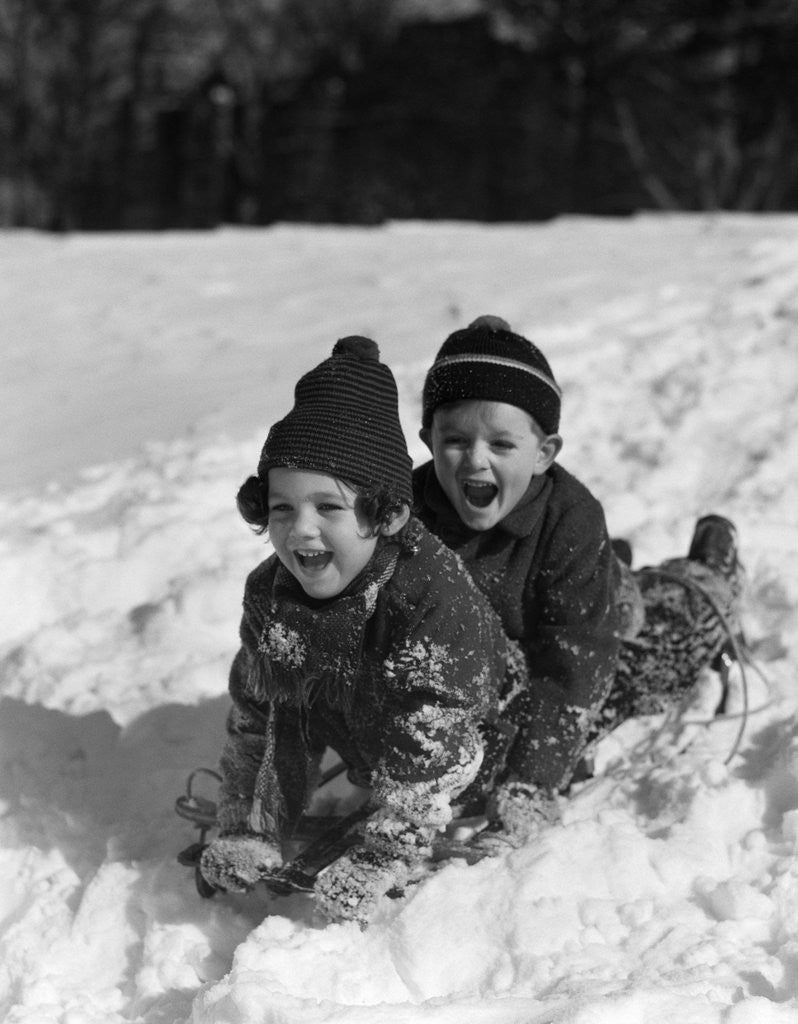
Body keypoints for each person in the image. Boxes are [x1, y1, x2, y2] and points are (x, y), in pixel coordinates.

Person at [198, 335, 510, 925]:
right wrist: (248, 826)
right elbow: (260, 715)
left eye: (329, 508)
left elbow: (435, 731)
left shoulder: (429, 593)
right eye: (282, 508)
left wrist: (386, 852)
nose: (300, 531)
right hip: (374, 736)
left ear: (385, 515)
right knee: (287, 688)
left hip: (482, 743)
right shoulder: (272, 594)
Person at [413, 315, 743, 837]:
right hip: (507, 652)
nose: (475, 460)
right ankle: (616, 565)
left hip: (596, 632)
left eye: (501, 445)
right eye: (455, 439)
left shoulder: (572, 517)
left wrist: (531, 780)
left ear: (544, 454)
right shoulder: (407, 513)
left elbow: (578, 663)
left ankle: (711, 561)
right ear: (428, 439)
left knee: (673, 642)